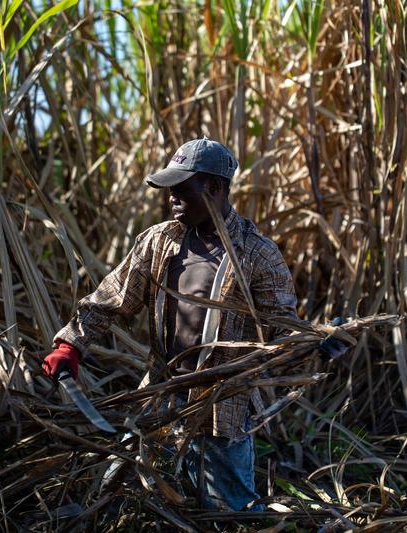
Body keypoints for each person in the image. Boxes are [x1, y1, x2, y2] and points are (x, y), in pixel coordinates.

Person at [42, 137, 347, 511]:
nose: (171, 198)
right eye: (169, 190)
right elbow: (112, 297)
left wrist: (317, 342)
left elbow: (282, 334)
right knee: (113, 496)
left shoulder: (257, 254)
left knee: (228, 514)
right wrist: (70, 344)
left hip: (221, 411)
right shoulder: (159, 242)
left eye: (182, 189)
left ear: (215, 188)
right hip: (159, 397)